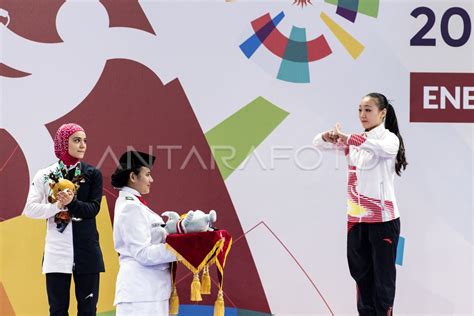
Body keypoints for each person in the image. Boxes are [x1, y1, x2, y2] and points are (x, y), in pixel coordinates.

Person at [313, 93, 408, 315]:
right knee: (361, 277)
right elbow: (317, 144)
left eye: (368, 110)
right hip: (355, 220)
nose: (362, 115)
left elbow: (378, 148)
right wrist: (327, 137)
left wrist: (349, 138)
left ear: (382, 113)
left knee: (382, 281)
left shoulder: (389, 139)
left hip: (383, 221)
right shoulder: (354, 142)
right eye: (359, 110)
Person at [23, 123, 105, 316]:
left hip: (87, 253)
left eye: (85, 140)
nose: (83, 145)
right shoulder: (45, 175)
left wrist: (72, 203)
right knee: (58, 310)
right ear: (62, 142)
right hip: (57, 253)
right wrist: (57, 206)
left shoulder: (92, 174)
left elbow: (93, 209)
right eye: (77, 140)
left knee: (88, 310)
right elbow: (30, 209)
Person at [111, 150, 177, 316]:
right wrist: (182, 249)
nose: (151, 180)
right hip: (140, 294)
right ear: (133, 177)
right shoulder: (130, 207)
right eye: (147, 174)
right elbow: (143, 253)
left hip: (151, 292)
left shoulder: (136, 205)